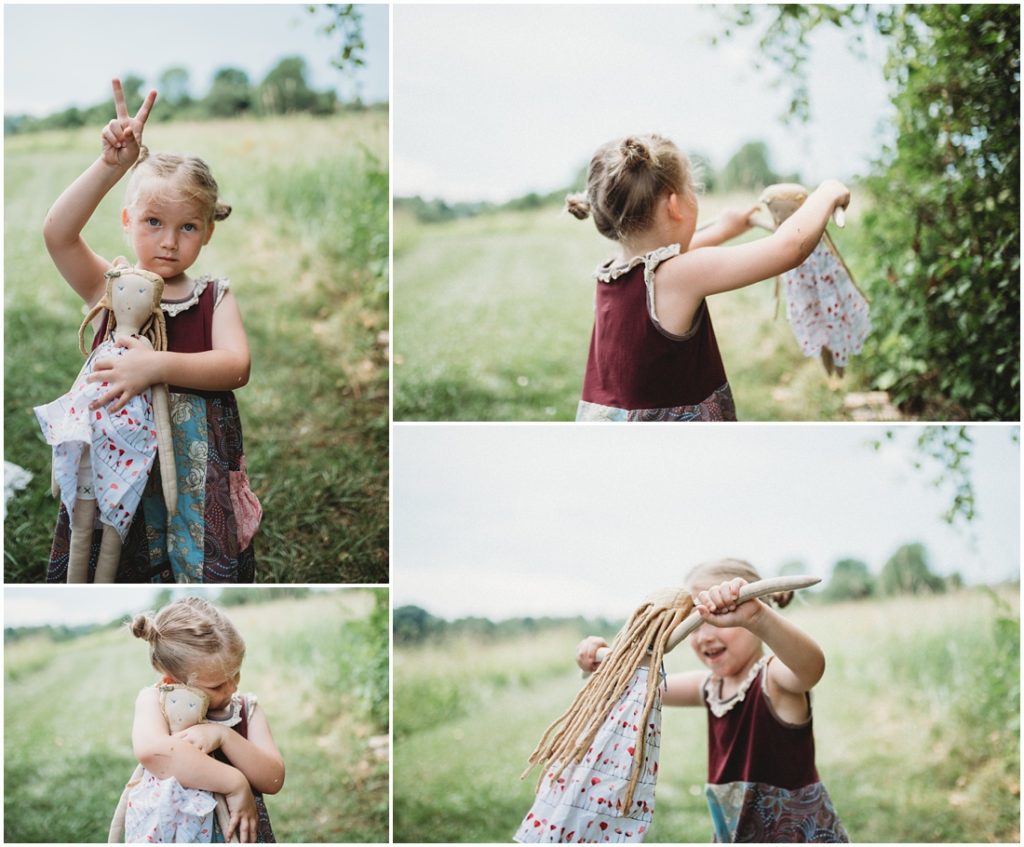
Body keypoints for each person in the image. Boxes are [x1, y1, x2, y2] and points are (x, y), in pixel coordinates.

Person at [41, 78, 261, 581]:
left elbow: (236, 365)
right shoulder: (112, 285)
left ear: (207, 230)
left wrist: (155, 365)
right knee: (117, 550)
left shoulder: (213, 296)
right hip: (117, 461)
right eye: (153, 222)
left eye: (187, 227)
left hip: (194, 470)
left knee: (194, 545)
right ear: (126, 220)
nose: (169, 242)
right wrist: (111, 166)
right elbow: (57, 233)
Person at [567, 134, 850, 421]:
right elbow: (787, 249)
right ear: (674, 205)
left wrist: (724, 230)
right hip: (680, 449)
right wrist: (826, 193)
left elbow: (666, 259)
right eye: (694, 189)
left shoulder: (610, 273)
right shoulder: (679, 277)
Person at [577, 559, 848, 842]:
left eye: (720, 617)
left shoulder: (774, 679)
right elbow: (640, 684)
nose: (704, 636)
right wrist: (600, 658)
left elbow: (810, 668)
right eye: (693, 625)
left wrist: (757, 617)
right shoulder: (709, 686)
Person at [127, 596, 283, 842]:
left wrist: (224, 736)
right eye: (218, 685)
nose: (232, 688)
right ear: (171, 681)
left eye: (236, 673)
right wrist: (234, 782)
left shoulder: (245, 710)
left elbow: (273, 779)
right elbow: (153, 752)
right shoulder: (154, 702)